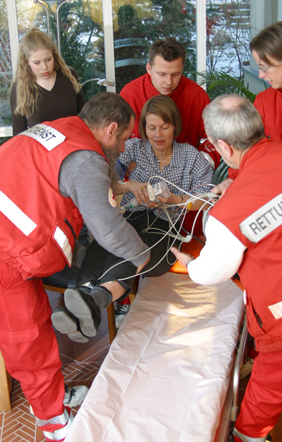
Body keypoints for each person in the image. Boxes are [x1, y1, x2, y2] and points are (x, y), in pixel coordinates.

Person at [0, 92, 150, 442]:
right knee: (28, 341)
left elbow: (67, 180)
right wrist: (141, 256)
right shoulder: (87, 159)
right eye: (123, 139)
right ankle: (57, 431)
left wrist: (118, 188)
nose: (123, 147)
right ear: (110, 129)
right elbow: (106, 226)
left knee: (37, 321)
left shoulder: (60, 131)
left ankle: (55, 399)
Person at [172, 94, 282, 442]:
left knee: (267, 391)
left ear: (223, 147)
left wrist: (189, 262)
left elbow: (211, 273)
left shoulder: (228, 215)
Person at [51, 95, 213, 342]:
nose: (157, 134)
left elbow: (208, 199)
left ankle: (86, 300)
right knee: (108, 244)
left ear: (175, 126)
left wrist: (174, 200)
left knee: (134, 249)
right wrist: (130, 186)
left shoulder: (191, 157)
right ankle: (87, 299)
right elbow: (105, 184)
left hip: (165, 226)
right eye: (151, 127)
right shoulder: (133, 148)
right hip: (128, 216)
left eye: (165, 127)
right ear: (143, 128)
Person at [214, 21, 282, 196]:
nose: (261, 75)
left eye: (264, 67)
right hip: (275, 196)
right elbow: (249, 147)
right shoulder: (264, 101)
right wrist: (232, 179)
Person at [119, 37, 220, 170]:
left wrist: (199, 167)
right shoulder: (129, 94)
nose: (168, 82)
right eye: (161, 74)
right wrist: (122, 165)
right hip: (137, 177)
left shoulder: (197, 96)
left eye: (175, 74)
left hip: (186, 177)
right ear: (149, 68)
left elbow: (215, 139)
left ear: (182, 68)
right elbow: (115, 138)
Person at [10, 28, 85, 136]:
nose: (44, 67)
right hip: (40, 151)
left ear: (54, 55)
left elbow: (83, 117)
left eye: (48, 60)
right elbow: (18, 133)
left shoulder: (69, 76)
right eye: (37, 62)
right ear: (27, 62)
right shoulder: (19, 88)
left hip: (73, 147)